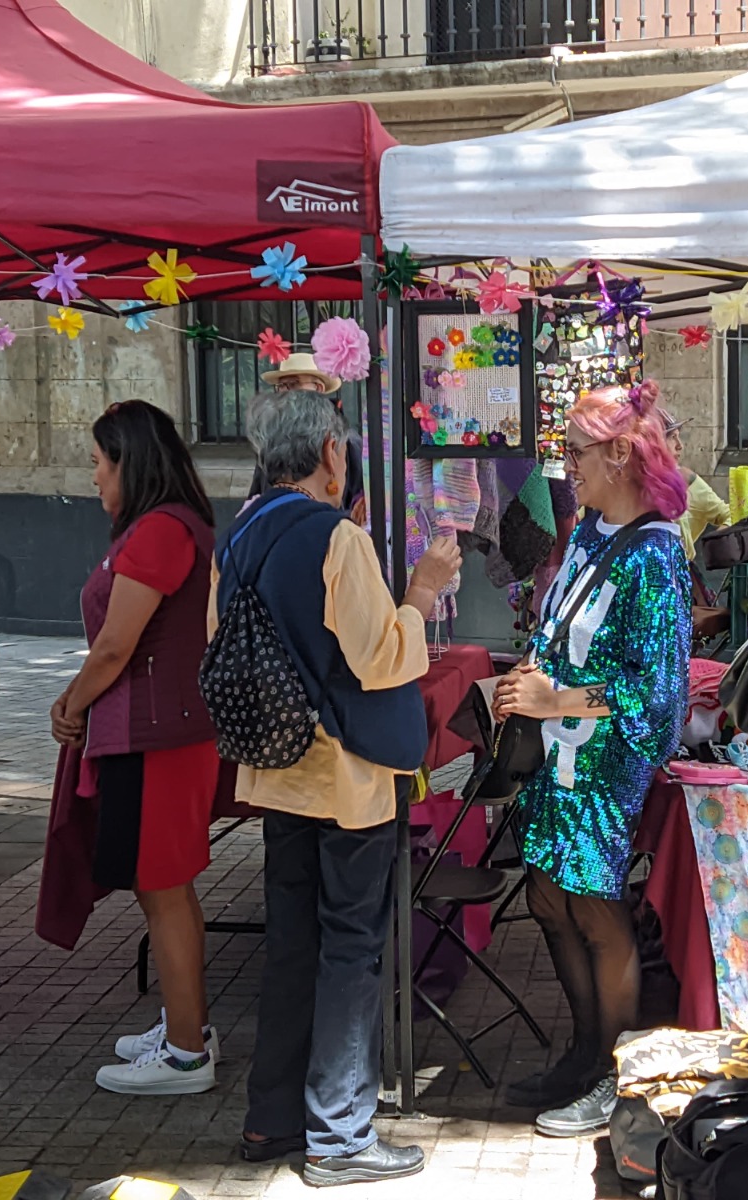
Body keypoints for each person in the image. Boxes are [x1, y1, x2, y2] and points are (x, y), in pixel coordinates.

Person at [224, 390, 461, 1186]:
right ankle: (339, 1135)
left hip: (280, 767)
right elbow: (380, 658)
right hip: (346, 775)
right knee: (351, 952)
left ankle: (273, 1120)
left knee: (293, 944)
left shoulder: (245, 532)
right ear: (332, 453)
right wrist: (423, 592)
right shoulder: (337, 537)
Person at [494, 379, 691, 1137]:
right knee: (549, 900)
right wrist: (532, 679)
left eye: (575, 452)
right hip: (555, 755)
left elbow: (663, 699)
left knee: (595, 911)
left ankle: (613, 1079)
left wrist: (560, 702)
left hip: (602, 763)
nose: (565, 466)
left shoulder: (655, 558)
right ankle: (583, 1055)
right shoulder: (588, 533)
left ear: (620, 454)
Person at [50, 401, 220, 1096]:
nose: (92, 477)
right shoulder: (172, 526)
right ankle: (187, 1026)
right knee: (168, 889)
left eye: (98, 461)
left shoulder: (157, 531)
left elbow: (117, 644)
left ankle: (185, 1054)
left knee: (163, 890)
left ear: (129, 462)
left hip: (156, 736)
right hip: (164, 731)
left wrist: (70, 702)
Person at [253, 352, 365, 523]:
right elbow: (257, 496)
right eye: (281, 387)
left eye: (292, 384)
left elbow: (360, 502)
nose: (285, 393)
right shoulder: (272, 440)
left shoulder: (347, 441)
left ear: (318, 388)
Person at [662, 410, 730, 562]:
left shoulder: (686, 479)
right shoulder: (628, 488)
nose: (680, 446)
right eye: (673, 438)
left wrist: (715, 543)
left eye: (679, 437)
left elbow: (730, 514)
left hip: (679, 579)